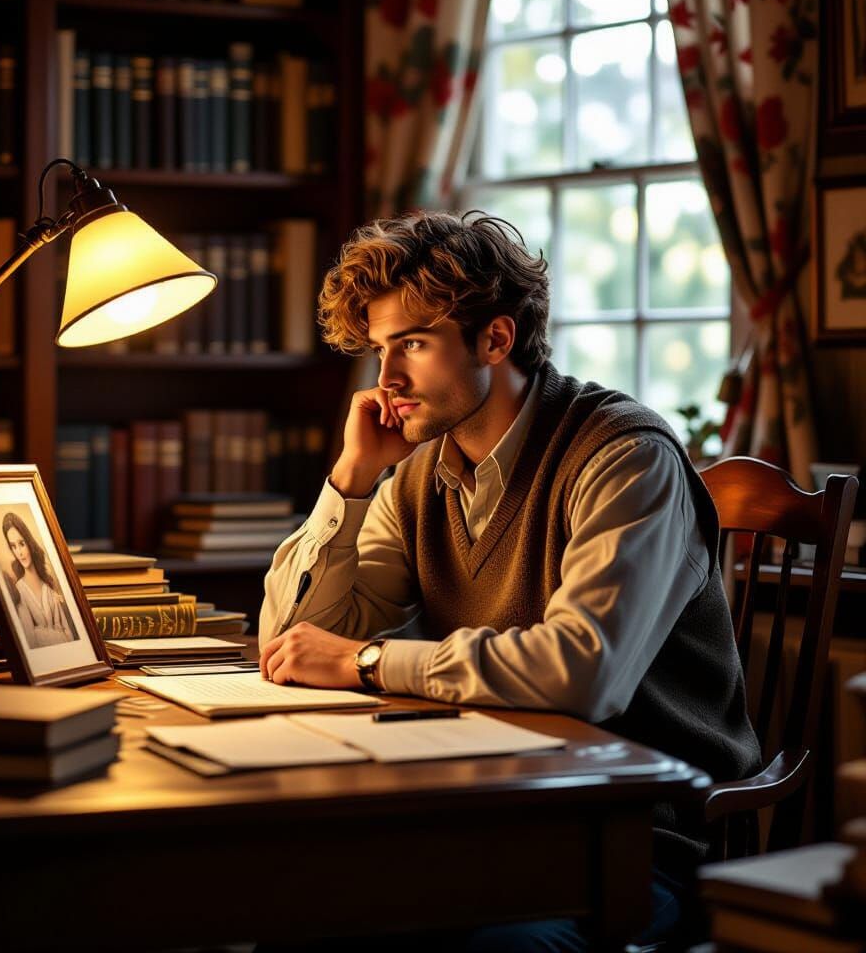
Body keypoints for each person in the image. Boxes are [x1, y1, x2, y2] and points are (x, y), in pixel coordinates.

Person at [257, 210, 760, 950]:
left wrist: (365, 663)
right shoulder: (416, 471)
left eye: (414, 346)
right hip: (489, 811)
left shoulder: (624, 457)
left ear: (496, 338)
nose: (387, 382)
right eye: (378, 351)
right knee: (298, 912)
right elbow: (293, 643)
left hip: (638, 842)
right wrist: (352, 477)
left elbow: (582, 673)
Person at [2, 511, 78, 648]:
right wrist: (57, 634)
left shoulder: (48, 587)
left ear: (29, 542)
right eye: (13, 546)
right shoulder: (19, 591)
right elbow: (31, 640)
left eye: (22, 543)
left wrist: (41, 632)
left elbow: (70, 636)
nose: (19, 552)